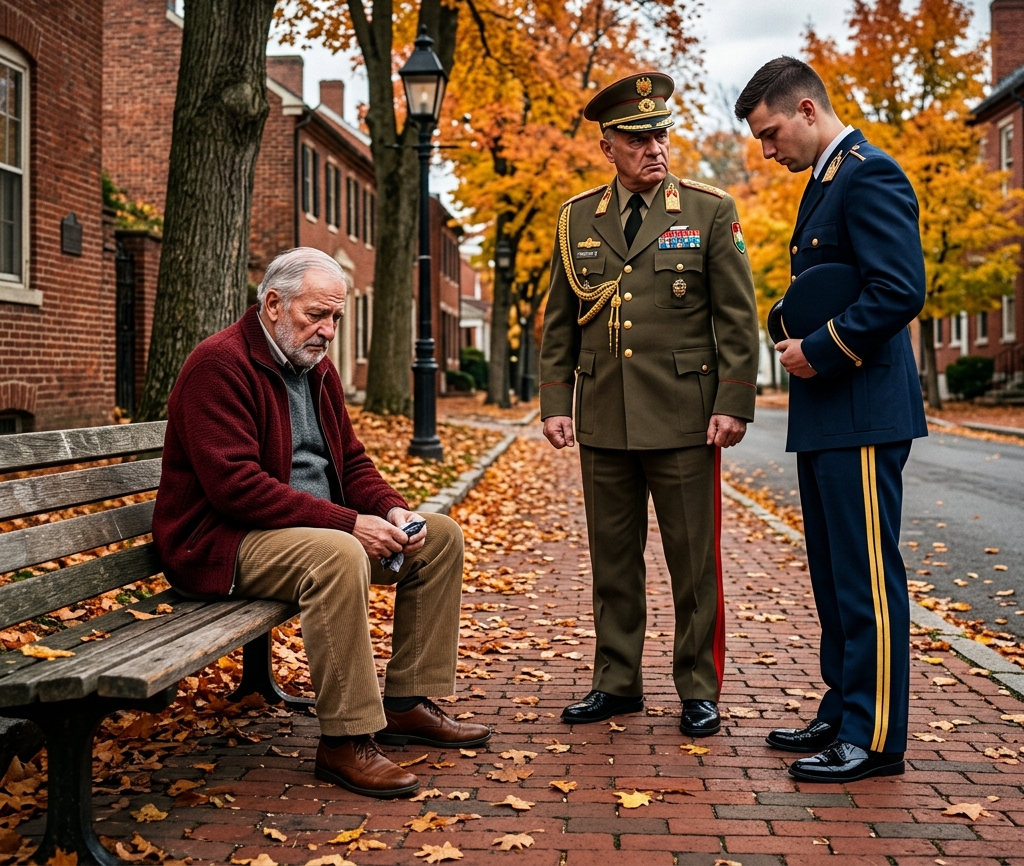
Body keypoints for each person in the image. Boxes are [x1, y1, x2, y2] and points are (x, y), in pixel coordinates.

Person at [152, 248, 489, 799]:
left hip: (299, 531)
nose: (329, 331)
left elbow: (351, 462)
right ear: (274, 303)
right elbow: (235, 488)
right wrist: (347, 524)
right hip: (218, 542)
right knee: (338, 555)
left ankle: (406, 703)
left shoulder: (315, 367)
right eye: (318, 315)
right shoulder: (220, 365)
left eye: (336, 317)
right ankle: (345, 739)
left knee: (441, 535)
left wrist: (391, 509)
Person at [539, 72, 760, 736]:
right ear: (607, 145)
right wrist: (556, 401)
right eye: (637, 138)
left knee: (694, 563)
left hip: (687, 418)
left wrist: (734, 403)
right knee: (612, 560)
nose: (654, 148)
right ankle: (617, 682)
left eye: (661, 133)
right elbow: (558, 322)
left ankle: (698, 686)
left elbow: (737, 319)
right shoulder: (578, 217)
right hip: (606, 415)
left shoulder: (708, 210)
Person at [735, 56, 927, 782]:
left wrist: (819, 348)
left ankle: (874, 738)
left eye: (771, 132)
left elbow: (898, 289)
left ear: (808, 110)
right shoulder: (824, 181)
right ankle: (842, 708)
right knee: (833, 574)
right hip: (828, 410)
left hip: (864, 407)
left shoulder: (868, 173)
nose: (767, 150)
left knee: (868, 577)